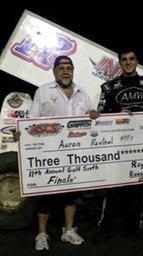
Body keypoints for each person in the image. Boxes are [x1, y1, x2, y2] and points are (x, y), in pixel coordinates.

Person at [96, 48, 143, 239]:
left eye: (131, 59)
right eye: (124, 59)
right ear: (119, 63)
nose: (128, 62)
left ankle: (134, 228)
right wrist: (115, 116)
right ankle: (105, 229)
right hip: (117, 147)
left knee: (138, 189)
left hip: (142, 146)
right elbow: (100, 115)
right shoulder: (108, 87)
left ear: (137, 61)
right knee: (113, 189)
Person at [26, 55, 98, 251]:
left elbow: (91, 118)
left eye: (69, 68)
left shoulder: (82, 93)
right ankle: (42, 234)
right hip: (49, 153)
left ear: (73, 70)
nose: (65, 71)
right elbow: (31, 122)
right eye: (61, 68)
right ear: (54, 71)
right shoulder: (43, 91)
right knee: (47, 196)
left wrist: (93, 115)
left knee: (72, 194)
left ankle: (68, 231)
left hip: (75, 153)